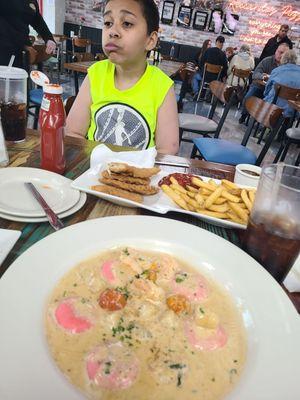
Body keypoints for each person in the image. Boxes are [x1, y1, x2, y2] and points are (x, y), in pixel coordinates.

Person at [66, 0, 179, 155]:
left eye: (126, 23)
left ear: (150, 40)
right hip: (92, 171)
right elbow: (73, 133)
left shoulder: (162, 86)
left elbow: (167, 151)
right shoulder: (96, 74)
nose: (113, 31)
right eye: (107, 23)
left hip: (137, 175)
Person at [239, 43, 289, 124]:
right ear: (276, 51)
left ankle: (264, 123)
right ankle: (244, 115)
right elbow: (255, 74)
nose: (281, 55)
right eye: (280, 52)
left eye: (284, 54)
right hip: (260, 87)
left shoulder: (286, 67)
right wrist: (264, 76)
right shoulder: (267, 60)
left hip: (273, 92)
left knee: (281, 104)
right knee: (249, 95)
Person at [0, 0, 56, 68]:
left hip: (23, 51)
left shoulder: (32, 1)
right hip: (4, 48)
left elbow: (37, 20)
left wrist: (49, 38)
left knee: (23, 76)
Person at [264, 50, 300, 118]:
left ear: (283, 59)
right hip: (292, 111)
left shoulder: (277, 70)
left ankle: (263, 125)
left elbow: (267, 89)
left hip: (272, 107)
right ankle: (284, 127)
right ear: (295, 60)